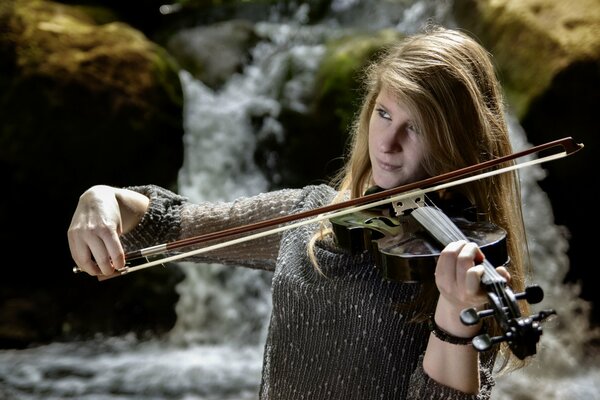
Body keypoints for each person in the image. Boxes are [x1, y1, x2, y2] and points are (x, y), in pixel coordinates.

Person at [68, 25, 532, 399]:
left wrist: (453, 311)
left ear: (458, 143)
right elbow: (165, 223)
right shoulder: (310, 216)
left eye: (417, 128)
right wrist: (101, 199)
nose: (387, 145)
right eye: (385, 115)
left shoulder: (473, 267)